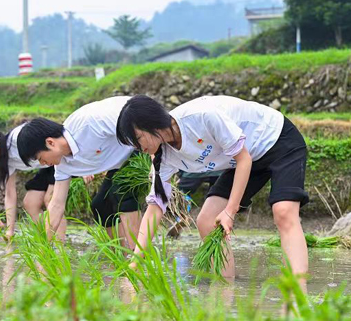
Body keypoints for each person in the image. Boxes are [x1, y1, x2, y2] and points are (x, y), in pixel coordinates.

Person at [116, 95, 309, 280]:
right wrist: (135, 262)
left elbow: (243, 159)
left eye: (138, 139)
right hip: (242, 158)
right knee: (207, 221)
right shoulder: (163, 156)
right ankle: (226, 288)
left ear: (150, 123)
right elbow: (155, 207)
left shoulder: (200, 116)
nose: (139, 149)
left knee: (283, 212)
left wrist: (230, 212)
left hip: (276, 140)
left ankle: (296, 291)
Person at [17, 96, 142, 249]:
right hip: (122, 160)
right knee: (100, 205)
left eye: (41, 158)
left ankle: (139, 257)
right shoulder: (62, 165)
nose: (43, 164)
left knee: (121, 191)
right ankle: (121, 256)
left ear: (50, 142)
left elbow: (133, 115)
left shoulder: (88, 124)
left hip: (142, 141)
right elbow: (56, 204)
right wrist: (44, 247)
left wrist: (155, 155)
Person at [0, 125, 57, 240]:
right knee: (30, 202)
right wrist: (10, 230)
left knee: (50, 200)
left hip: (58, 159)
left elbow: (54, 140)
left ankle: (59, 246)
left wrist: (80, 164)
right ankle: (47, 241)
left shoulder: (16, 141)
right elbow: (10, 194)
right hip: (47, 166)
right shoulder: (5, 160)